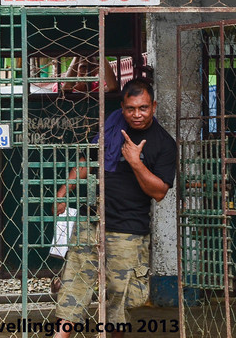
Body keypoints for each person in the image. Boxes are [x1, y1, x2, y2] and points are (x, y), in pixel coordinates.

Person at [52, 78, 176, 338]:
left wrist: (135, 162)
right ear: (122, 107)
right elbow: (90, 159)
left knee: (118, 301)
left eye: (143, 108)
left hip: (128, 230)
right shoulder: (112, 125)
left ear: (153, 106)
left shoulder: (164, 143)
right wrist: (64, 191)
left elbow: (159, 192)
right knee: (74, 286)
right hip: (92, 219)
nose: (137, 114)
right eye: (130, 109)